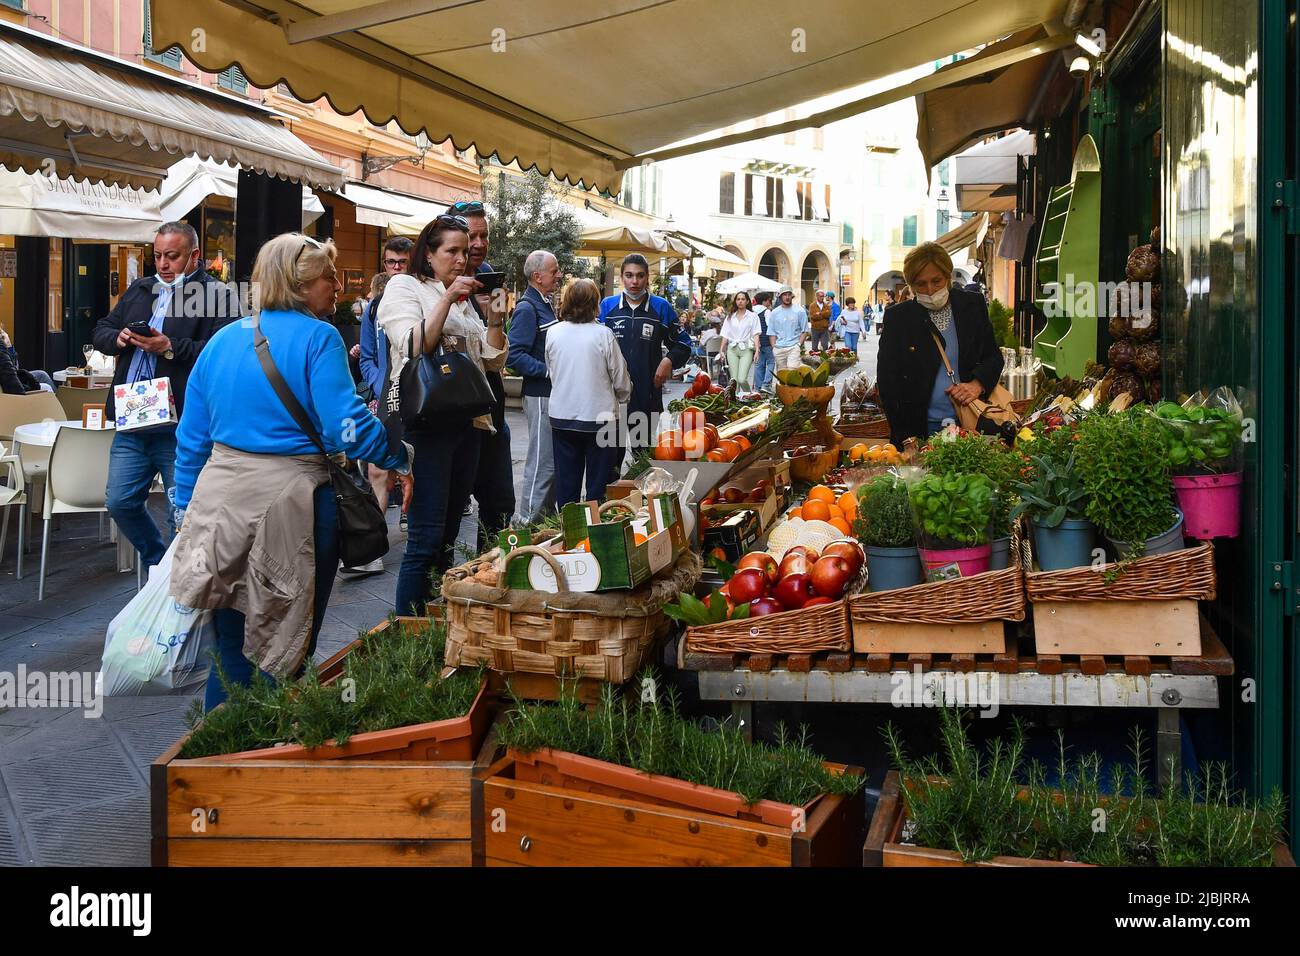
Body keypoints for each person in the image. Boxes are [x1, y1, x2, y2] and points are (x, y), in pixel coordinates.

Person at [169, 233, 410, 711]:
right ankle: (274, 743)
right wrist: (399, 457)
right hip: (292, 505)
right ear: (299, 286)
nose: (337, 286)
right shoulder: (320, 338)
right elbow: (346, 427)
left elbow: (192, 436)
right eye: (328, 278)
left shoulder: (221, 341)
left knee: (229, 649)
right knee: (286, 642)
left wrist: (184, 508)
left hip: (218, 506)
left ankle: (218, 746)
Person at [379, 215, 506, 616]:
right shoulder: (404, 286)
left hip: (467, 424)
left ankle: (434, 622)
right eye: (452, 251)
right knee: (425, 538)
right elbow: (414, 345)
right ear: (428, 254)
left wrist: (496, 318)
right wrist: (448, 298)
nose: (461, 259)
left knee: (449, 535)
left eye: (465, 252)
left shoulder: (463, 298)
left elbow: (491, 361)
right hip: (427, 425)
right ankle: (405, 629)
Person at [93, 222, 237, 571]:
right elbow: (101, 330)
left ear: (194, 255)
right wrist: (119, 338)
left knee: (182, 512)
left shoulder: (218, 295)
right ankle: (158, 562)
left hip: (181, 424)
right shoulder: (140, 289)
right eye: (157, 255)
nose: (162, 264)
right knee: (119, 502)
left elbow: (222, 351)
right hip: (132, 417)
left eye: (172, 256)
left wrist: (169, 347)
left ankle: (178, 581)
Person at [877, 242, 1003, 447]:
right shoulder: (898, 317)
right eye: (921, 284)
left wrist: (977, 384)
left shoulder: (972, 306)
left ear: (948, 276)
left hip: (970, 424)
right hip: (919, 429)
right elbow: (887, 382)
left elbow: (993, 357)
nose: (930, 290)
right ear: (911, 285)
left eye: (936, 281)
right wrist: (904, 437)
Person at [354, 236, 413, 573]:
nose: (396, 268)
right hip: (384, 397)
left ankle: (413, 523)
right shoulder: (374, 307)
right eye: (391, 262)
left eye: (402, 262)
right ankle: (373, 549)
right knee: (377, 469)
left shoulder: (420, 298)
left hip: (416, 397)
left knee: (414, 467)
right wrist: (380, 384)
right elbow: (366, 355)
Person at [459, 200, 516, 550]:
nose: (479, 244)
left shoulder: (490, 274)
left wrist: (494, 319)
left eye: (484, 235)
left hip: (492, 410)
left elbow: (496, 345)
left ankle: (489, 569)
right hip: (457, 416)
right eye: (472, 236)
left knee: (500, 505)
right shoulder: (440, 284)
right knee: (445, 517)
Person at [545, 279, 632, 507]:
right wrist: (623, 397)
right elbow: (620, 378)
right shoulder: (604, 335)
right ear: (595, 304)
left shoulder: (553, 333)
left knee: (566, 485)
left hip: (563, 417)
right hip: (600, 418)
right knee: (599, 487)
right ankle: (596, 524)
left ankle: (568, 524)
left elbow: (552, 371)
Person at [599, 254, 691, 459]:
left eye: (640, 276)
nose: (634, 281)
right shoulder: (607, 307)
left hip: (647, 394)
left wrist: (668, 361)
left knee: (643, 459)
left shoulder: (661, 307)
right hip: (611, 397)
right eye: (629, 275)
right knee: (610, 459)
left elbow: (684, 344)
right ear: (621, 277)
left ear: (647, 277)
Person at [508, 249, 562, 526]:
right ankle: (526, 525)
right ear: (538, 276)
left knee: (550, 463)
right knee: (542, 463)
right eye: (554, 271)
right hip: (539, 396)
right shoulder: (527, 308)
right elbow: (514, 356)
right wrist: (549, 371)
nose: (559, 275)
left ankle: (545, 525)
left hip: (549, 396)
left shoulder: (543, 303)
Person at [719, 291, 760, 391]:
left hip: (746, 349)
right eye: (738, 299)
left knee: (742, 379)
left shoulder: (753, 316)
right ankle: (736, 399)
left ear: (747, 301)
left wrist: (757, 350)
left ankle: (749, 396)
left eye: (743, 299)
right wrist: (721, 350)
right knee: (734, 381)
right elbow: (725, 334)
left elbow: (756, 334)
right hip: (732, 349)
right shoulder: (730, 317)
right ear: (735, 301)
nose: (740, 301)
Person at [767, 286, 808, 371]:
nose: (787, 297)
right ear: (780, 297)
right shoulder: (774, 312)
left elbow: (804, 330)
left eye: (789, 294)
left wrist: (798, 345)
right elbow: (771, 332)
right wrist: (774, 347)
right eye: (785, 295)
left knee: (792, 370)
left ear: (792, 296)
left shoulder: (800, 311)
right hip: (779, 348)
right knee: (782, 374)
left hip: (794, 346)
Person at [0, 328, 52, 393]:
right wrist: (8, 346)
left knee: (42, 374)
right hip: (10, 387)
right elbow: (12, 371)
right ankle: (58, 399)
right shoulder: (1, 348)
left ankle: (59, 398)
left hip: (11, 377)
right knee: (47, 387)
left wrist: (9, 347)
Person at [750, 290, 777, 391]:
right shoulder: (766, 311)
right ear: (764, 301)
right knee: (771, 362)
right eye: (769, 300)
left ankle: (758, 386)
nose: (770, 302)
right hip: (767, 341)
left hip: (756, 342)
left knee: (759, 365)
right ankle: (766, 384)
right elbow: (770, 327)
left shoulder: (751, 311)